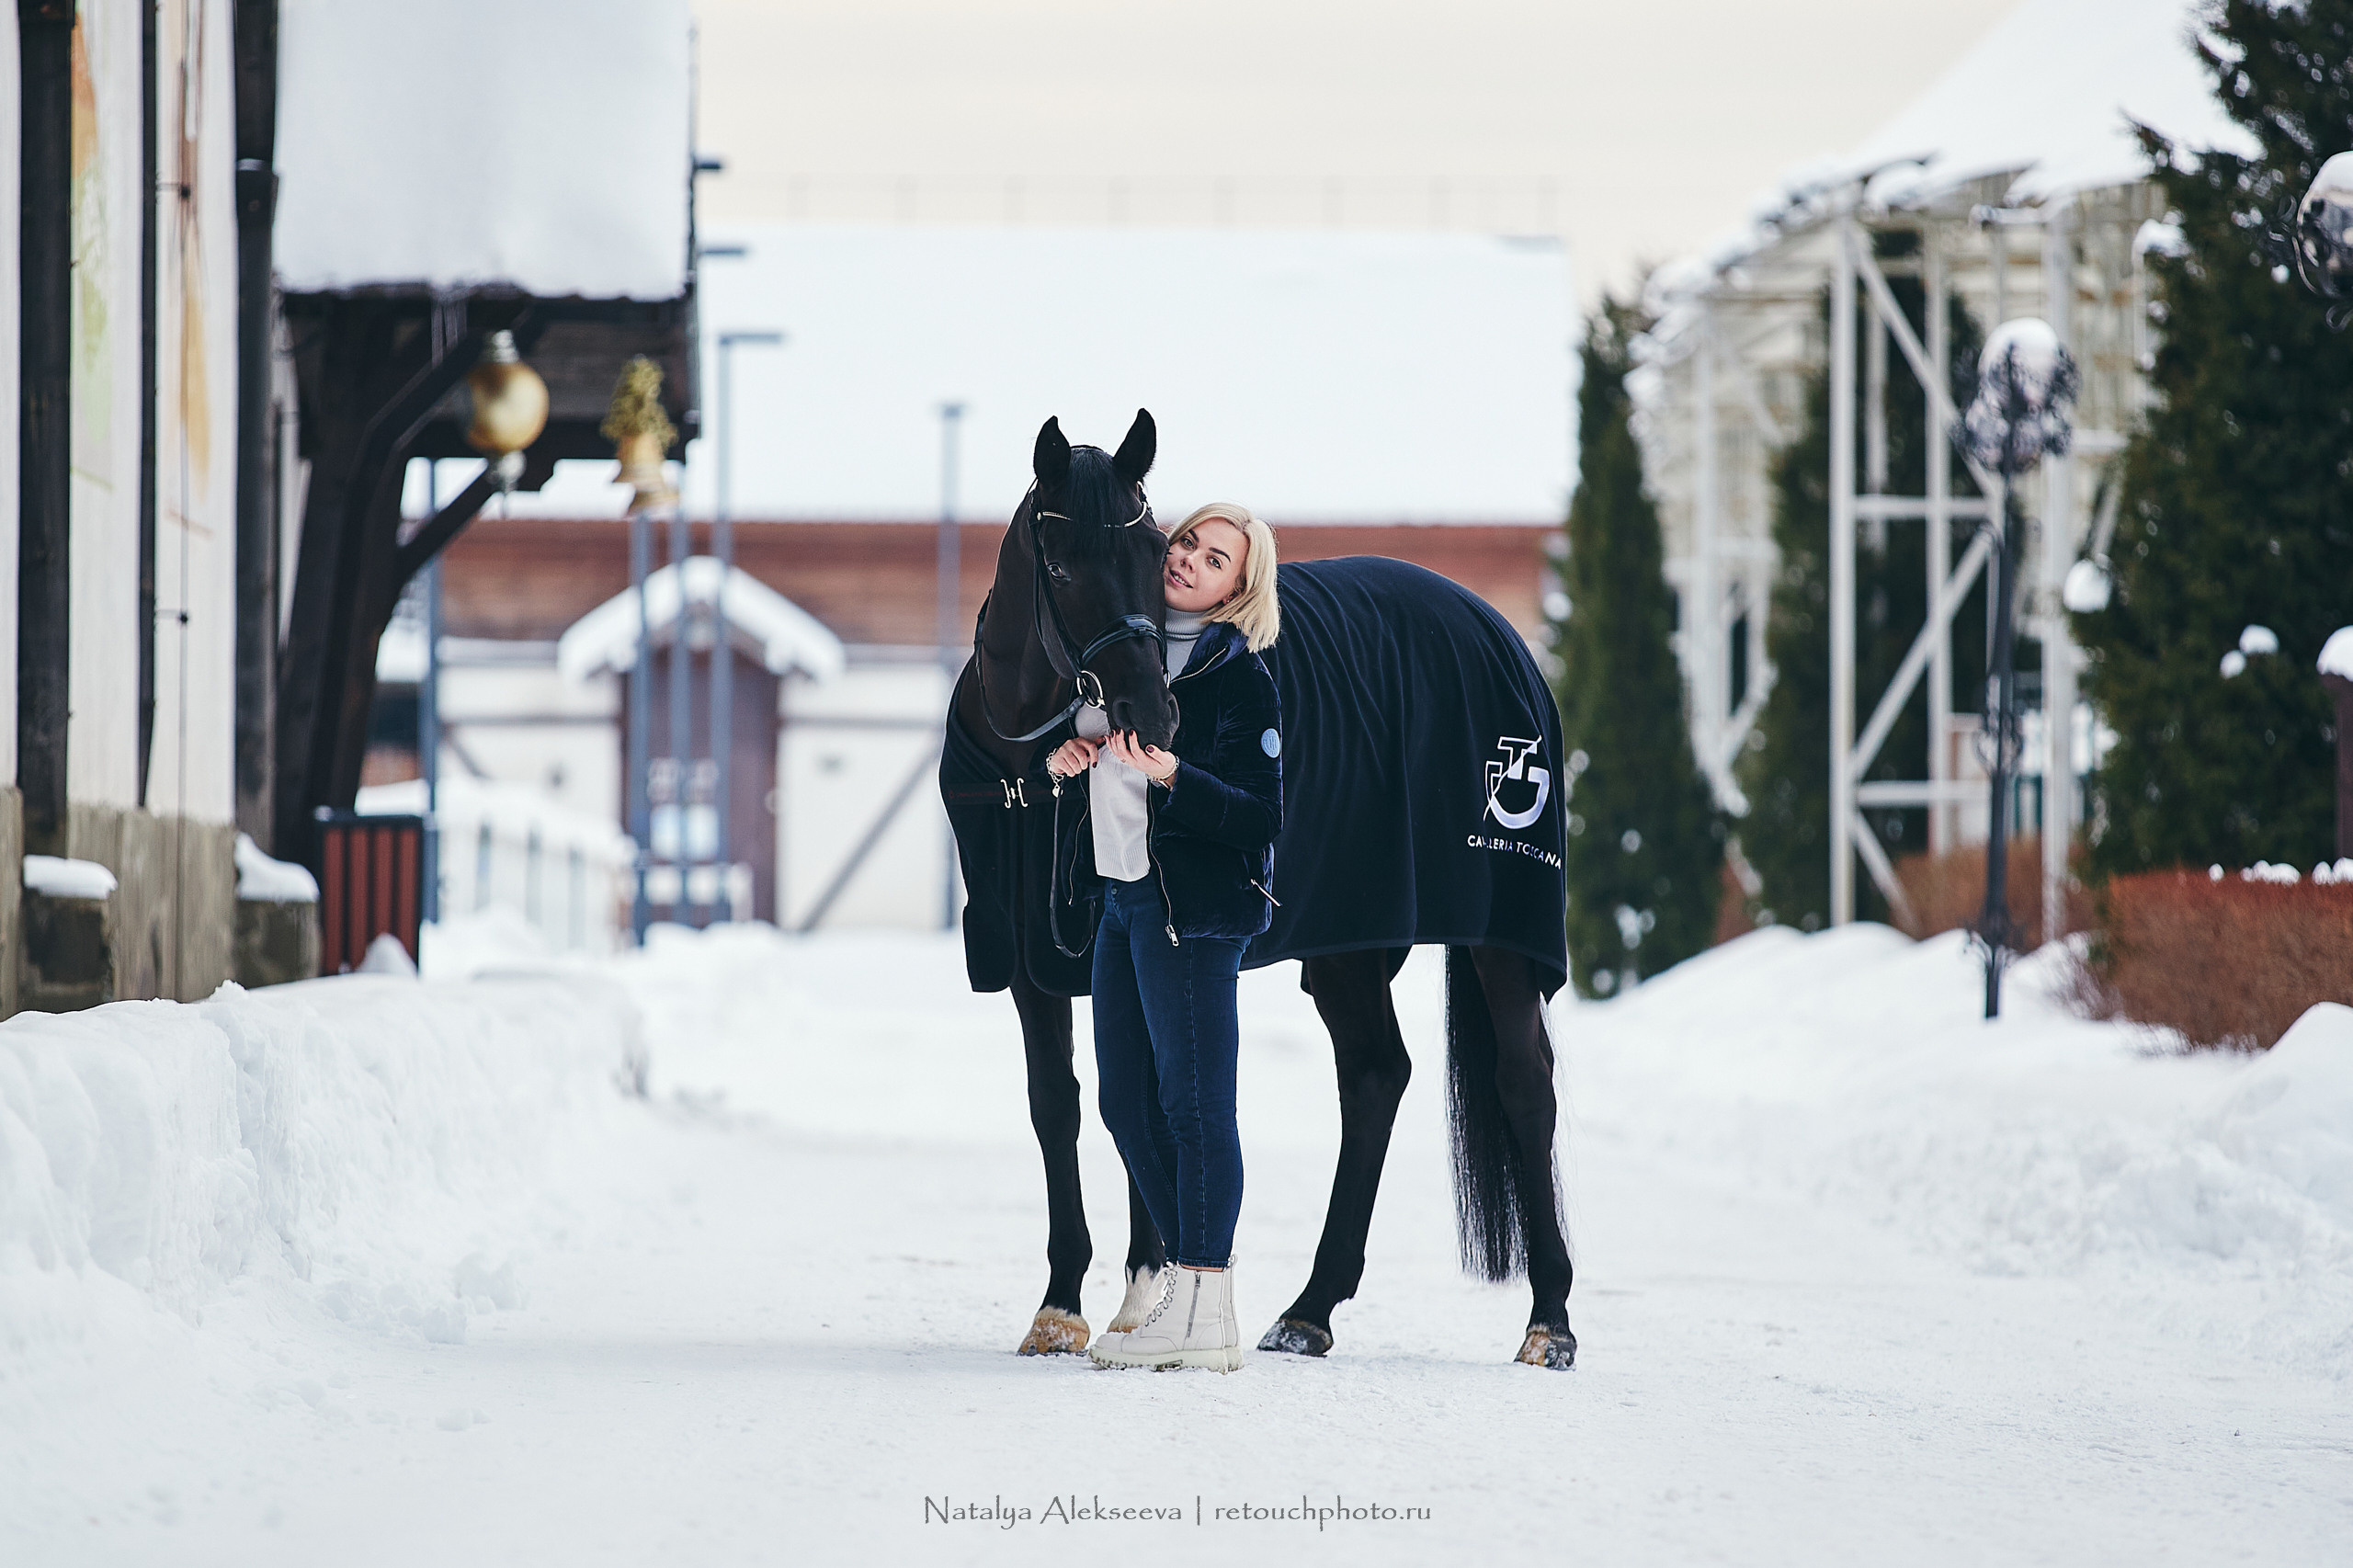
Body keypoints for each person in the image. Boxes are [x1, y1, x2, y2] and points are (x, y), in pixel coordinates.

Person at [1046, 502, 1282, 1372]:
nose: (1188, 560)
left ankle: (1206, 1306)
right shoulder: (1120, 652)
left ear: (1236, 589)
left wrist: (1178, 774)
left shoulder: (1239, 676)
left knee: (1195, 1107)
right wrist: (1067, 757)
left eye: (1216, 558)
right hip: (1122, 898)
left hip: (1191, 914)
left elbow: (1261, 815)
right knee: (1124, 1103)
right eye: (1187, 541)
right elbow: (1089, 747)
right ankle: (1192, 1295)